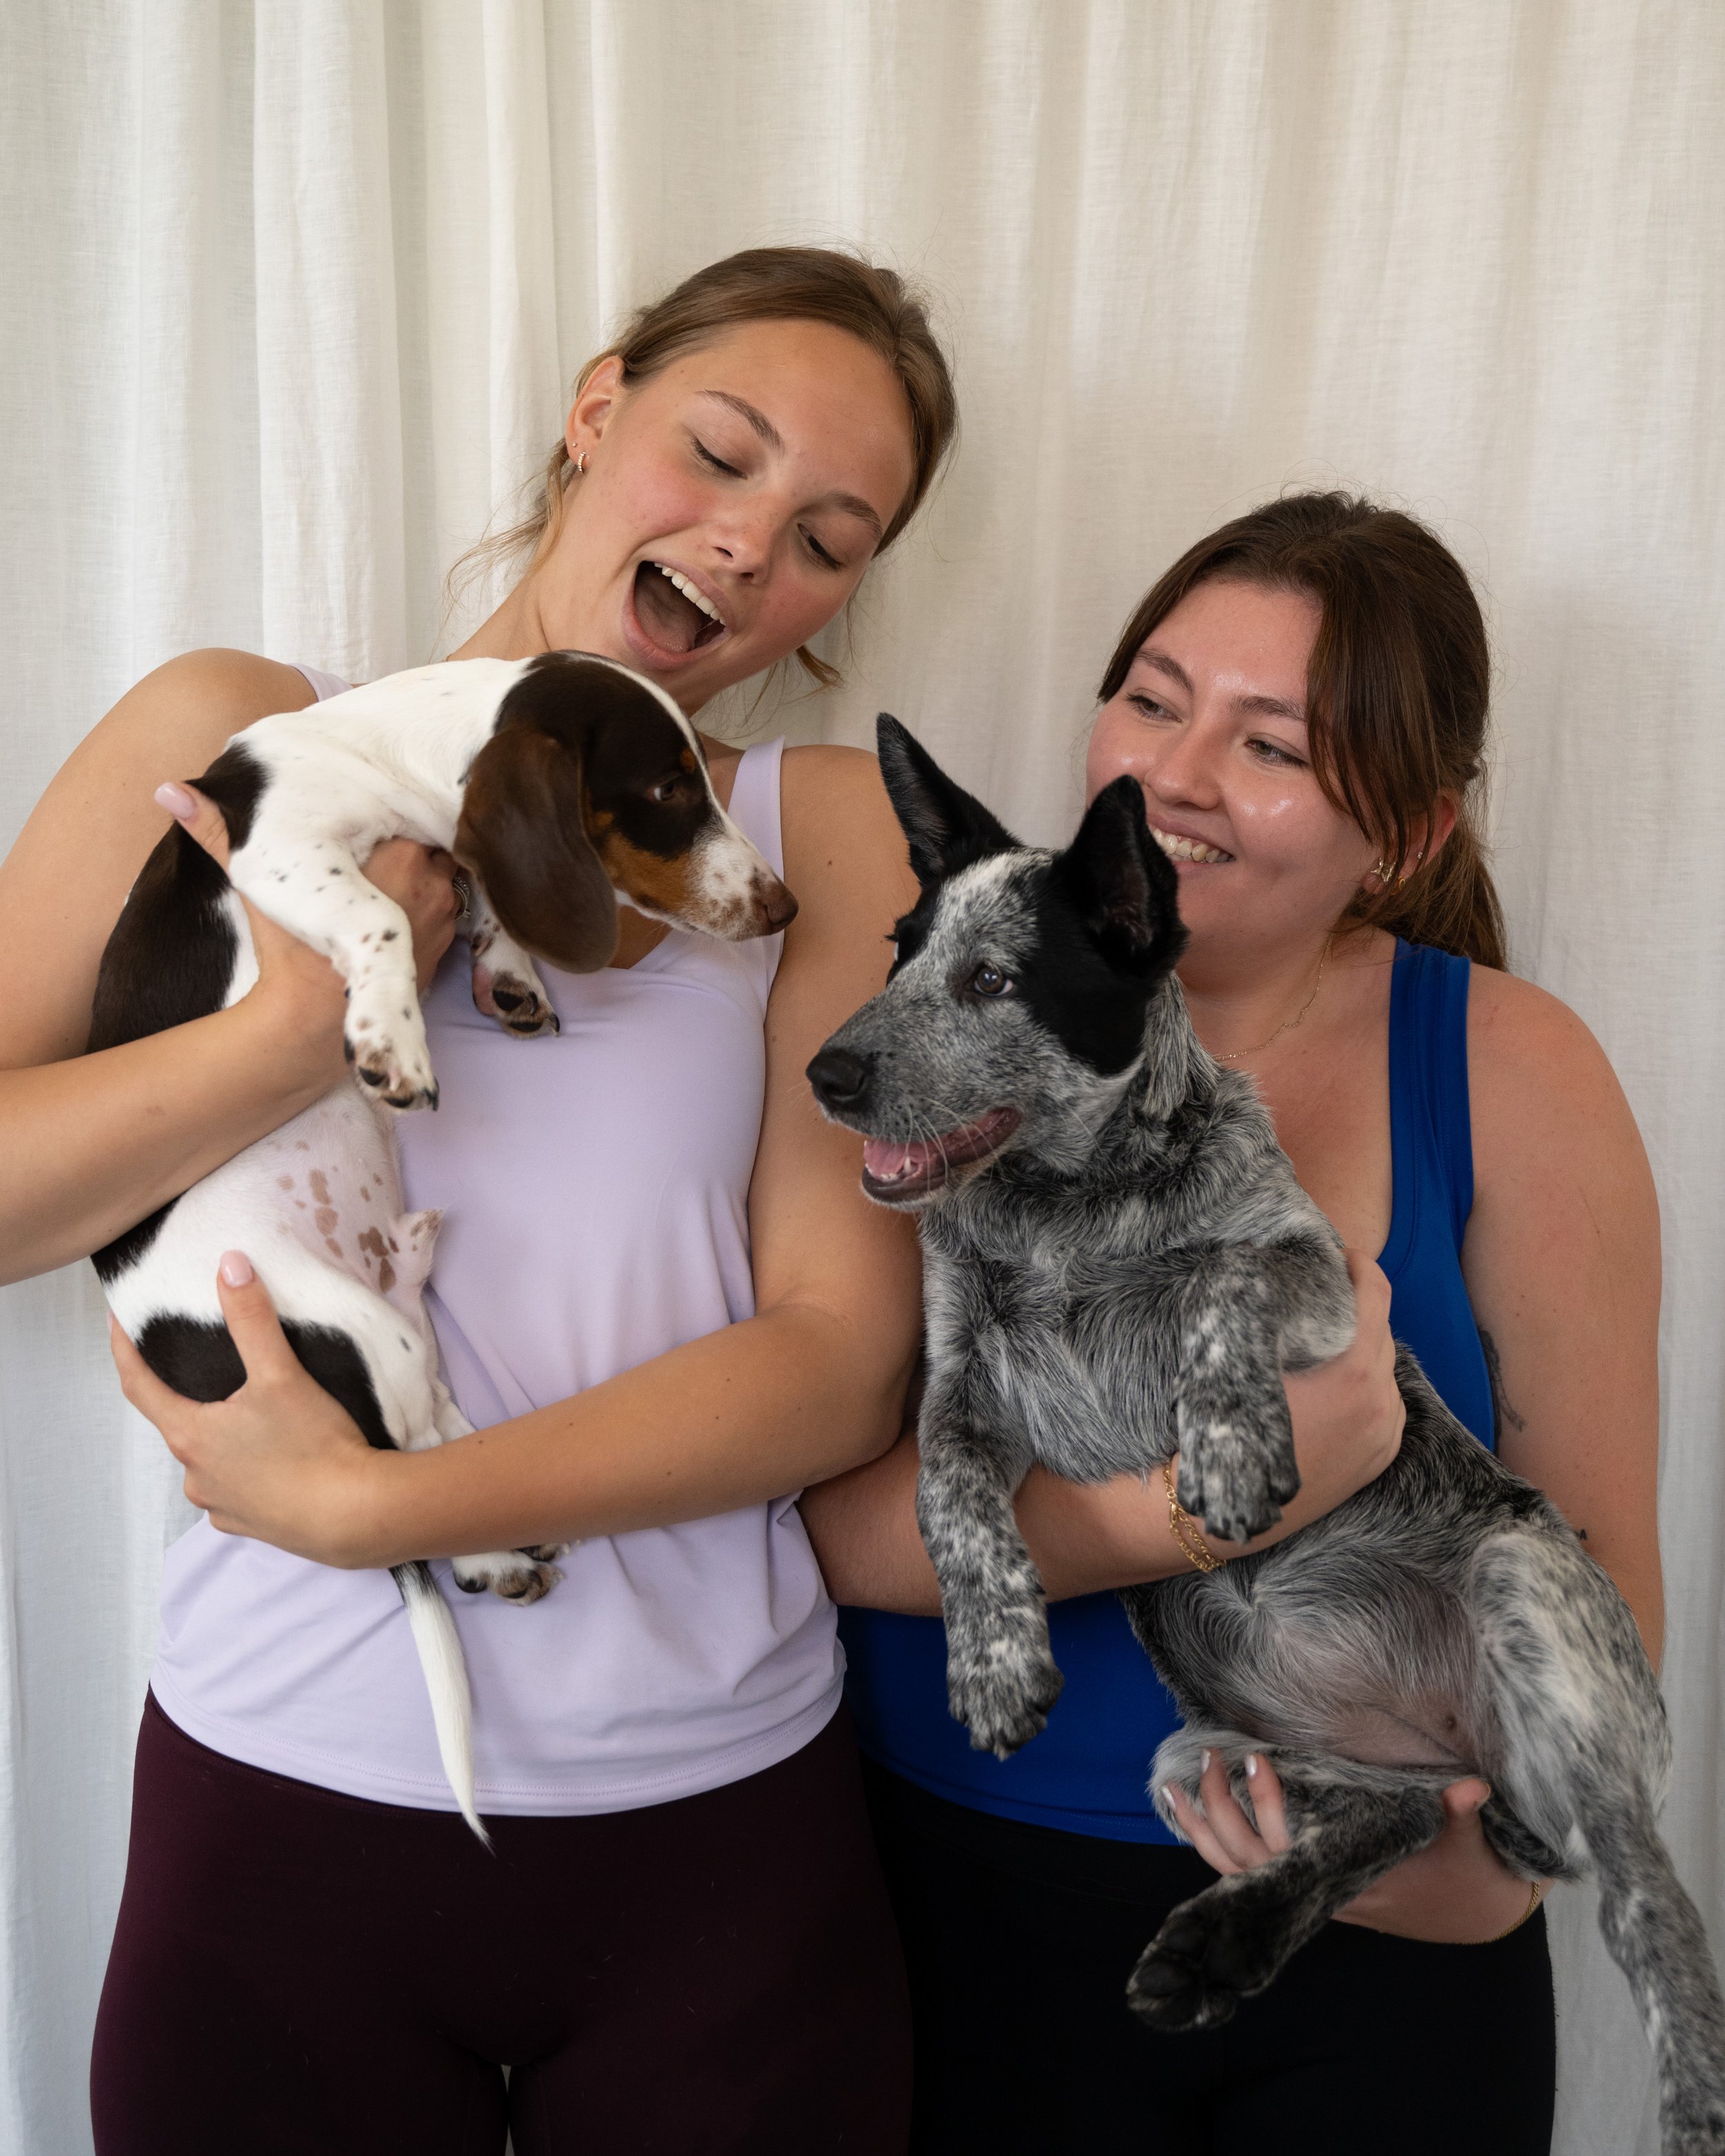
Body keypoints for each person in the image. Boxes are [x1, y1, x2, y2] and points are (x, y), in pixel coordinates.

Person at [0, 246, 958, 2155]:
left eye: (830, 531)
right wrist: (290, 1035)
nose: (755, 541)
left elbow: (840, 1365)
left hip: (713, 1835)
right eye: (720, 448)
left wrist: (376, 1504)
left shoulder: (813, 839)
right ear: (596, 410)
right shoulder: (239, 735)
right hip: (282, 1804)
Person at [802, 493, 1663, 2155]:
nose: (1176, 773)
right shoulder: (924, 1048)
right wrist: (1207, 1511)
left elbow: (1599, 1580)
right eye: (1150, 696)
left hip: (1380, 1950)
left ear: (1404, 832)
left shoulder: (1504, 1067)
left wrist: (1475, 1884)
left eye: (1268, 742)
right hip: (939, 1899)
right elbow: (819, 1533)